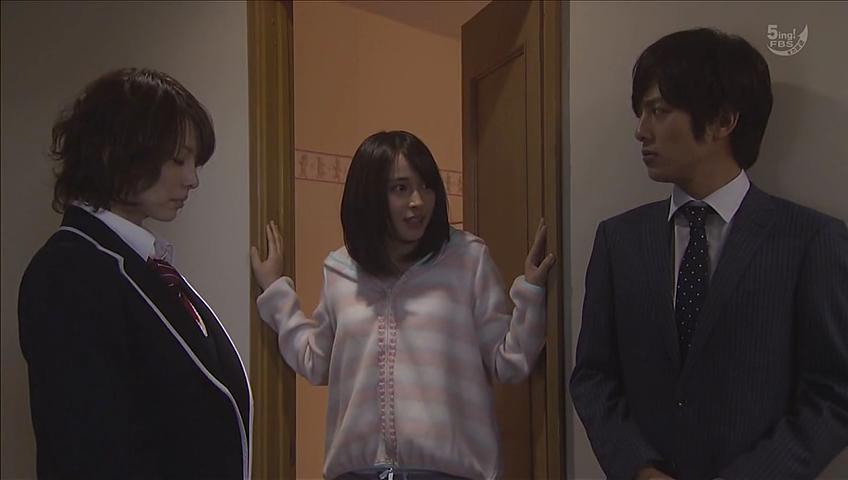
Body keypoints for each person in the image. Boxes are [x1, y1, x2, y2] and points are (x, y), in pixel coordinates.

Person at [569, 27, 848, 480]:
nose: (641, 131)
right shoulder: (619, 240)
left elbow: (834, 393)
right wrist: (638, 467)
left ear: (722, 121)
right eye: (641, 113)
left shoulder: (810, 240)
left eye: (658, 111)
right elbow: (593, 376)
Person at [250, 130, 555, 480]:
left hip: (449, 473)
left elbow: (508, 361)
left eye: (427, 186)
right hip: (358, 473)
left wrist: (531, 291)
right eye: (400, 188)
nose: (418, 201)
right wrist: (276, 291)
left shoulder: (467, 259)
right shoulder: (340, 270)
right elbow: (316, 361)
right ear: (370, 196)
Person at [18, 68, 252, 479]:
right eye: (178, 159)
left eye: (195, 162)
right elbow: (86, 451)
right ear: (115, 151)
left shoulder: (140, 261)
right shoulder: (70, 271)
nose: (192, 179)